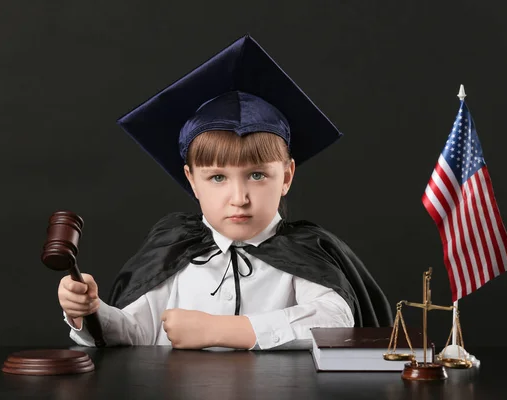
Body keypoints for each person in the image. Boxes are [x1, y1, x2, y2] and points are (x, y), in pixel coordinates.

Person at [58, 35, 393, 350]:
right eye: (217, 177)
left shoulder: (306, 252)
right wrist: (88, 311)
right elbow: (132, 331)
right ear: (191, 179)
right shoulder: (174, 249)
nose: (239, 197)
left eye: (257, 175)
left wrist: (218, 330)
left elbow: (335, 322)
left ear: (287, 175)